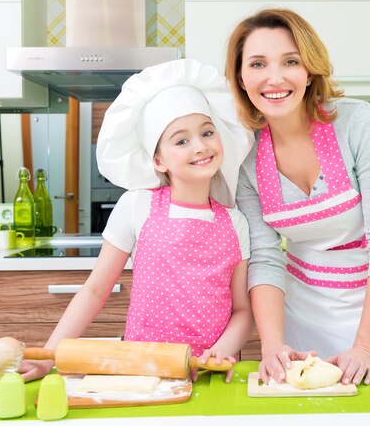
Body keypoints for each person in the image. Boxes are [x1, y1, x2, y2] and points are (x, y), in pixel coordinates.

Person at [20, 59, 255, 383]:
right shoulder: (137, 205)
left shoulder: (236, 222)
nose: (200, 146)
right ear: (158, 160)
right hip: (141, 372)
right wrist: (49, 357)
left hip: (209, 374)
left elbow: (242, 310)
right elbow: (94, 290)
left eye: (207, 132)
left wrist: (219, 353)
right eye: (181, 140)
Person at [225, 8, 370, 387]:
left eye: (290, 61)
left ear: (309, 70)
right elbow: (265, 257)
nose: (274, 78)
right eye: (258, 64)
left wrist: (366, 346)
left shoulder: (358, 125)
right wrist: (272, 346)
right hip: (304, 305)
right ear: (241, 78)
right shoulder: (245, 161)